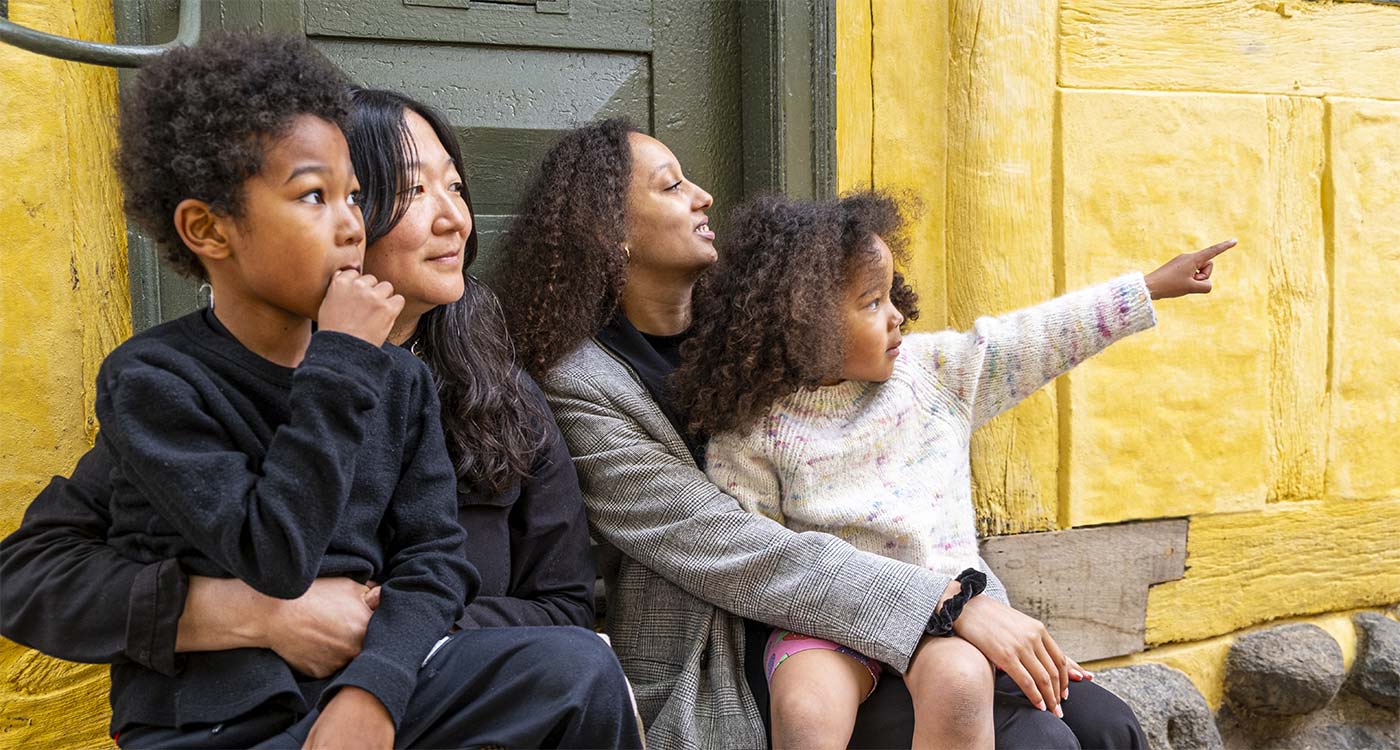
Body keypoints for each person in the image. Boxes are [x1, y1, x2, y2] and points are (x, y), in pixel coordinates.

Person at [0, 39, 639, 749]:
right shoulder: (161, 383)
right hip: (224, 721)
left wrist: (378, 671)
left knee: (578, 670)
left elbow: (468, 575)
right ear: (211, 228)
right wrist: (247, 613)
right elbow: (39, 575)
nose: (348, 224)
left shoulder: (455, 389)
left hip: (400, 691)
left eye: (355, 197)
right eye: (409, 191)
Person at [494, 118, 1152, 749]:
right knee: (1038, 737)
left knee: (1108, 727)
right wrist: (944, 604)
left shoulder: (762, 314)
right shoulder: (581, 385)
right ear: (611, 235)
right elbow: (728, 546)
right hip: (750, 646)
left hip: (889, 599)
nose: (704, 195)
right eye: (671, 186)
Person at [669, 191, 1235, 749]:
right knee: (806, 710)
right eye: (872, 302)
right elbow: (764, 553)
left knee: (964, 685)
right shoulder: (751, 428)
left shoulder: (934, 375)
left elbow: (1037, 338)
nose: (896, 315)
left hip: (947, 619)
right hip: (830, 622)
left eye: (890, 294)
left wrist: (1149, 287)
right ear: (803, 324)